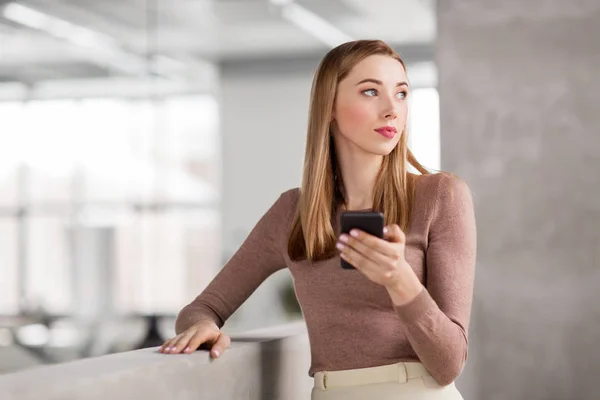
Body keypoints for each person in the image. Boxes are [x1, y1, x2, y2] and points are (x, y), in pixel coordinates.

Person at [159, 39, 476, 400]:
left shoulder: (440, 196)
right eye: (371, 91)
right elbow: (203, 307)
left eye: (401, 94)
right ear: (329, 107)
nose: (392, 109)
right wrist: (204, 327)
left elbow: (449, 363)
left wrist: (401, 282)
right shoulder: (292, 213)